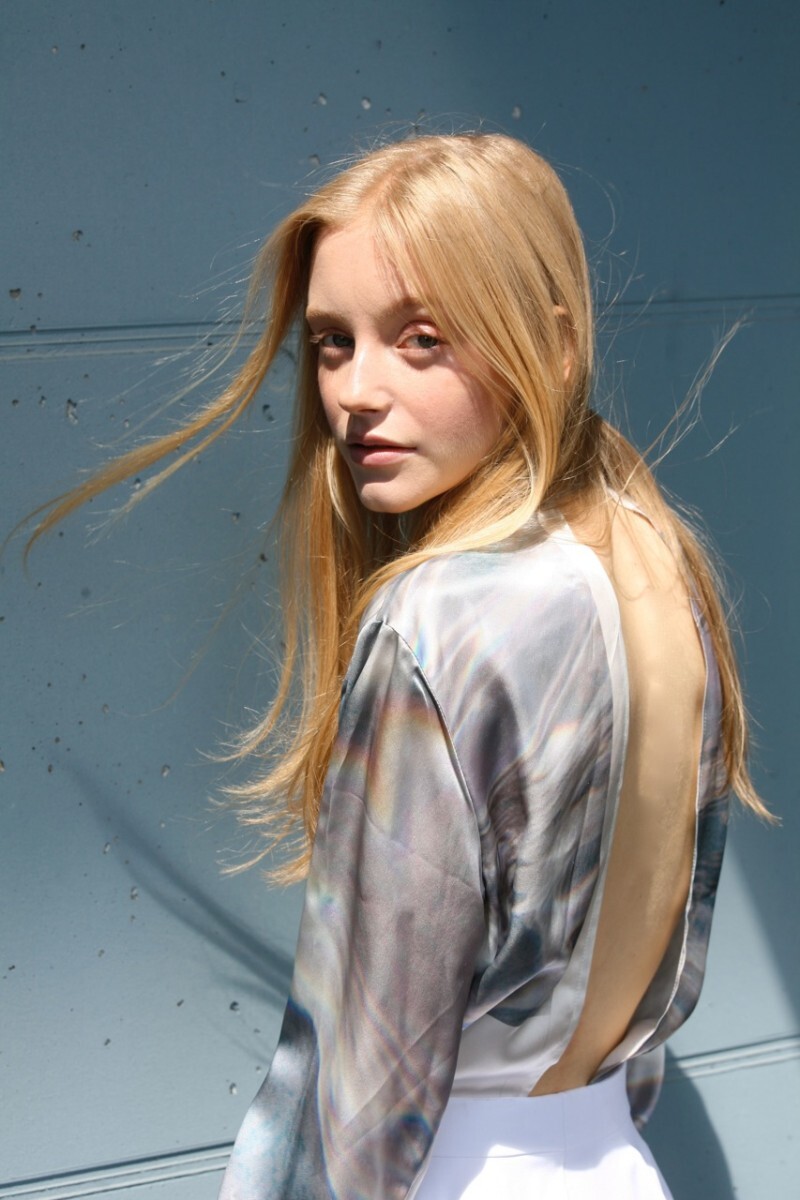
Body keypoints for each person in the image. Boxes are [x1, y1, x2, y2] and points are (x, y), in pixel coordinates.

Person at [30, 133, 766, 1198]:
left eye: (421, 339)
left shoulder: (440, 614)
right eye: (332, 343)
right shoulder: (653, 557)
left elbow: (363, 1084)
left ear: (552, 345)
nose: (354, 393)